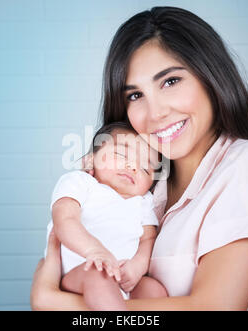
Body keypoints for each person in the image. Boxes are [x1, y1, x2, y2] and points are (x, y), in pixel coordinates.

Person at [31, 6, 248, 311]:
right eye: (135, 95)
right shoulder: (144, 187)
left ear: (211, 77)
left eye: (170, 81)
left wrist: (51, 301)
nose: (155, 113)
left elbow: (216, 307)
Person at [44, 122, 167, 310]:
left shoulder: (143, 200)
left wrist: (137, 267)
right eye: (120, 155)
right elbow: (65, 220)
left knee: (154, 290)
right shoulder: (81, 183)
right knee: (98, 274)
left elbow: (148, 239)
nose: (133, 166)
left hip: (122, 276)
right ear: (90, 161)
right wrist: (94, 251)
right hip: (82, 272)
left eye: (145, 168)